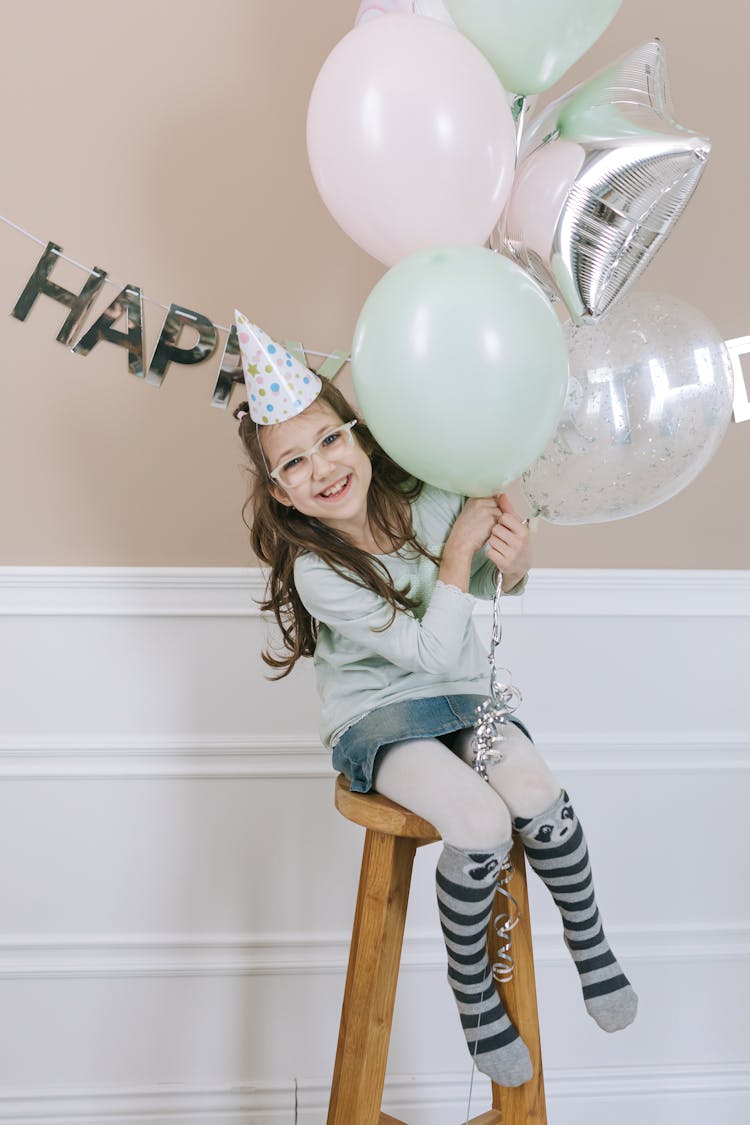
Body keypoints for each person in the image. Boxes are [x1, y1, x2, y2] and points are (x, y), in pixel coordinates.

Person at [233, 313, 637, 1088]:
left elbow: (484, 589)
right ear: (280, 494)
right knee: (481, 819)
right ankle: (475, 993)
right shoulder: (321, 571)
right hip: (382, 720)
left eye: (329, 441)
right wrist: (456, 559)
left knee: (534, 791)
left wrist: (512, 562)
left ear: (358, 435)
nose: (321, 467)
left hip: (462, 696)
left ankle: (589, 941)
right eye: (293, 464)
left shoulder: (431, 497)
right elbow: (424, 647)